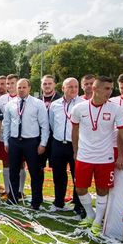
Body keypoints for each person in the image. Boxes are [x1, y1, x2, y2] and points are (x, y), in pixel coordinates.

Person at [71, 76, 123, 236]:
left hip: (105, 158)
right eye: (107, 89)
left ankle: (97, 221)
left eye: (111, 89)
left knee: (102, 189)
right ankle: (90, 214)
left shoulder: (115, 109)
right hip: (84, 157)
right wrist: (75, 150)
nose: (110, 92)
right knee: (80, 188)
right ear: (95, 89)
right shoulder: (79, 108)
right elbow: (74, 131)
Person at [2, 78, 49, 210]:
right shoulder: (10, 104)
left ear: (29, 88)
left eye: (24, 87)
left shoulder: (38, 104)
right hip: (14, 141)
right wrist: (6, 141)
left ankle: (36, 201)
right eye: (19, 87)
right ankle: (13, 197)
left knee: (35, 173)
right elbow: (6, 124)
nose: (21, 90)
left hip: (32, 142)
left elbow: (44, 125)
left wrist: (43, 143)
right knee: (13, 172)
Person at [48, 78, 85, 215]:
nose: (74, 89)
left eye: (76, 86)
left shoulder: (83, 104)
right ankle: (58, 202)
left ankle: (78, 205)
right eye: (70, 86)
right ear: (63, 88)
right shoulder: (55, 104)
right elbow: (52, 123)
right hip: (58, 144)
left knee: (78, 176)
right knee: (58, 175)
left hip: (76, 145)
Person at [0, 74, 26, 197]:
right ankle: (8, 190)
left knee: (21, 164)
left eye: (12, 83)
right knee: (6, 162)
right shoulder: (2, 99)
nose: (9, 86)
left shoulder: (25, 98)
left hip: (21, 136)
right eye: (7, 84)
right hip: (5, 135)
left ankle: (20, 191)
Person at [38, 75, 61, 177]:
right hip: (39, 139)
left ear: (54, 84)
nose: (47, 86)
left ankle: (59, 193)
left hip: (55, 139)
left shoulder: (61, 100)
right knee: (37, 169)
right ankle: (38, 193)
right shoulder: (36, 100)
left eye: (49, 83)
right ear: (41, 85)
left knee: (57, 170)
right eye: (44, 83)